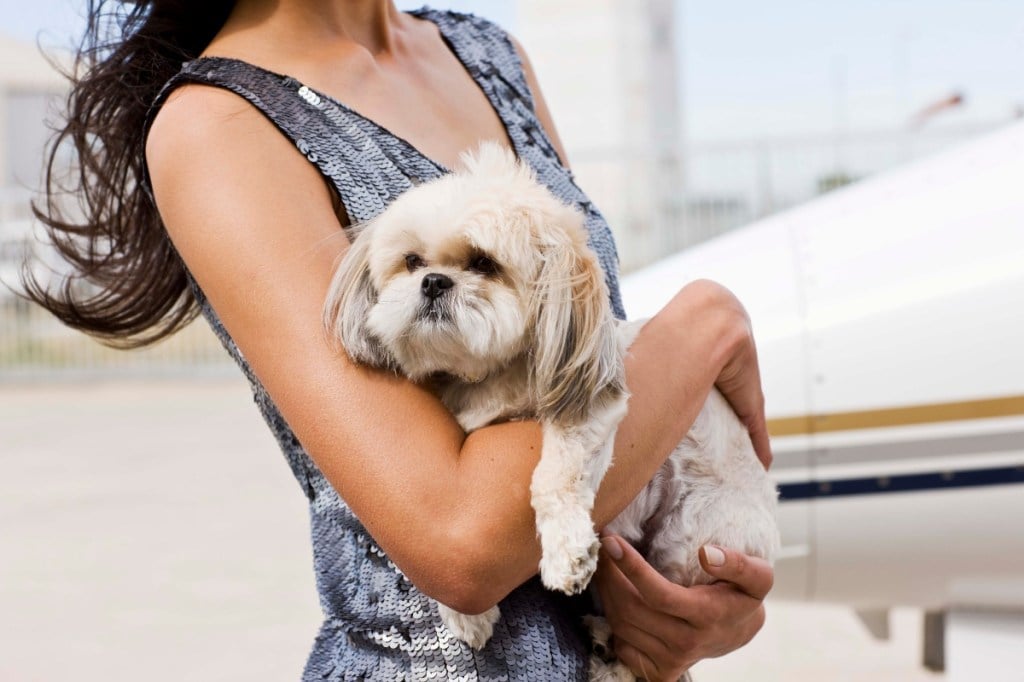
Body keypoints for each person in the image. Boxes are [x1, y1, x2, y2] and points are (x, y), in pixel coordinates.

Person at [26, 1, 775, 679]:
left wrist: (687, 606)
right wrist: (704, 326)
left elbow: (587, 368)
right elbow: (461, 538)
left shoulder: (489, 53)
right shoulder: (220, 124)